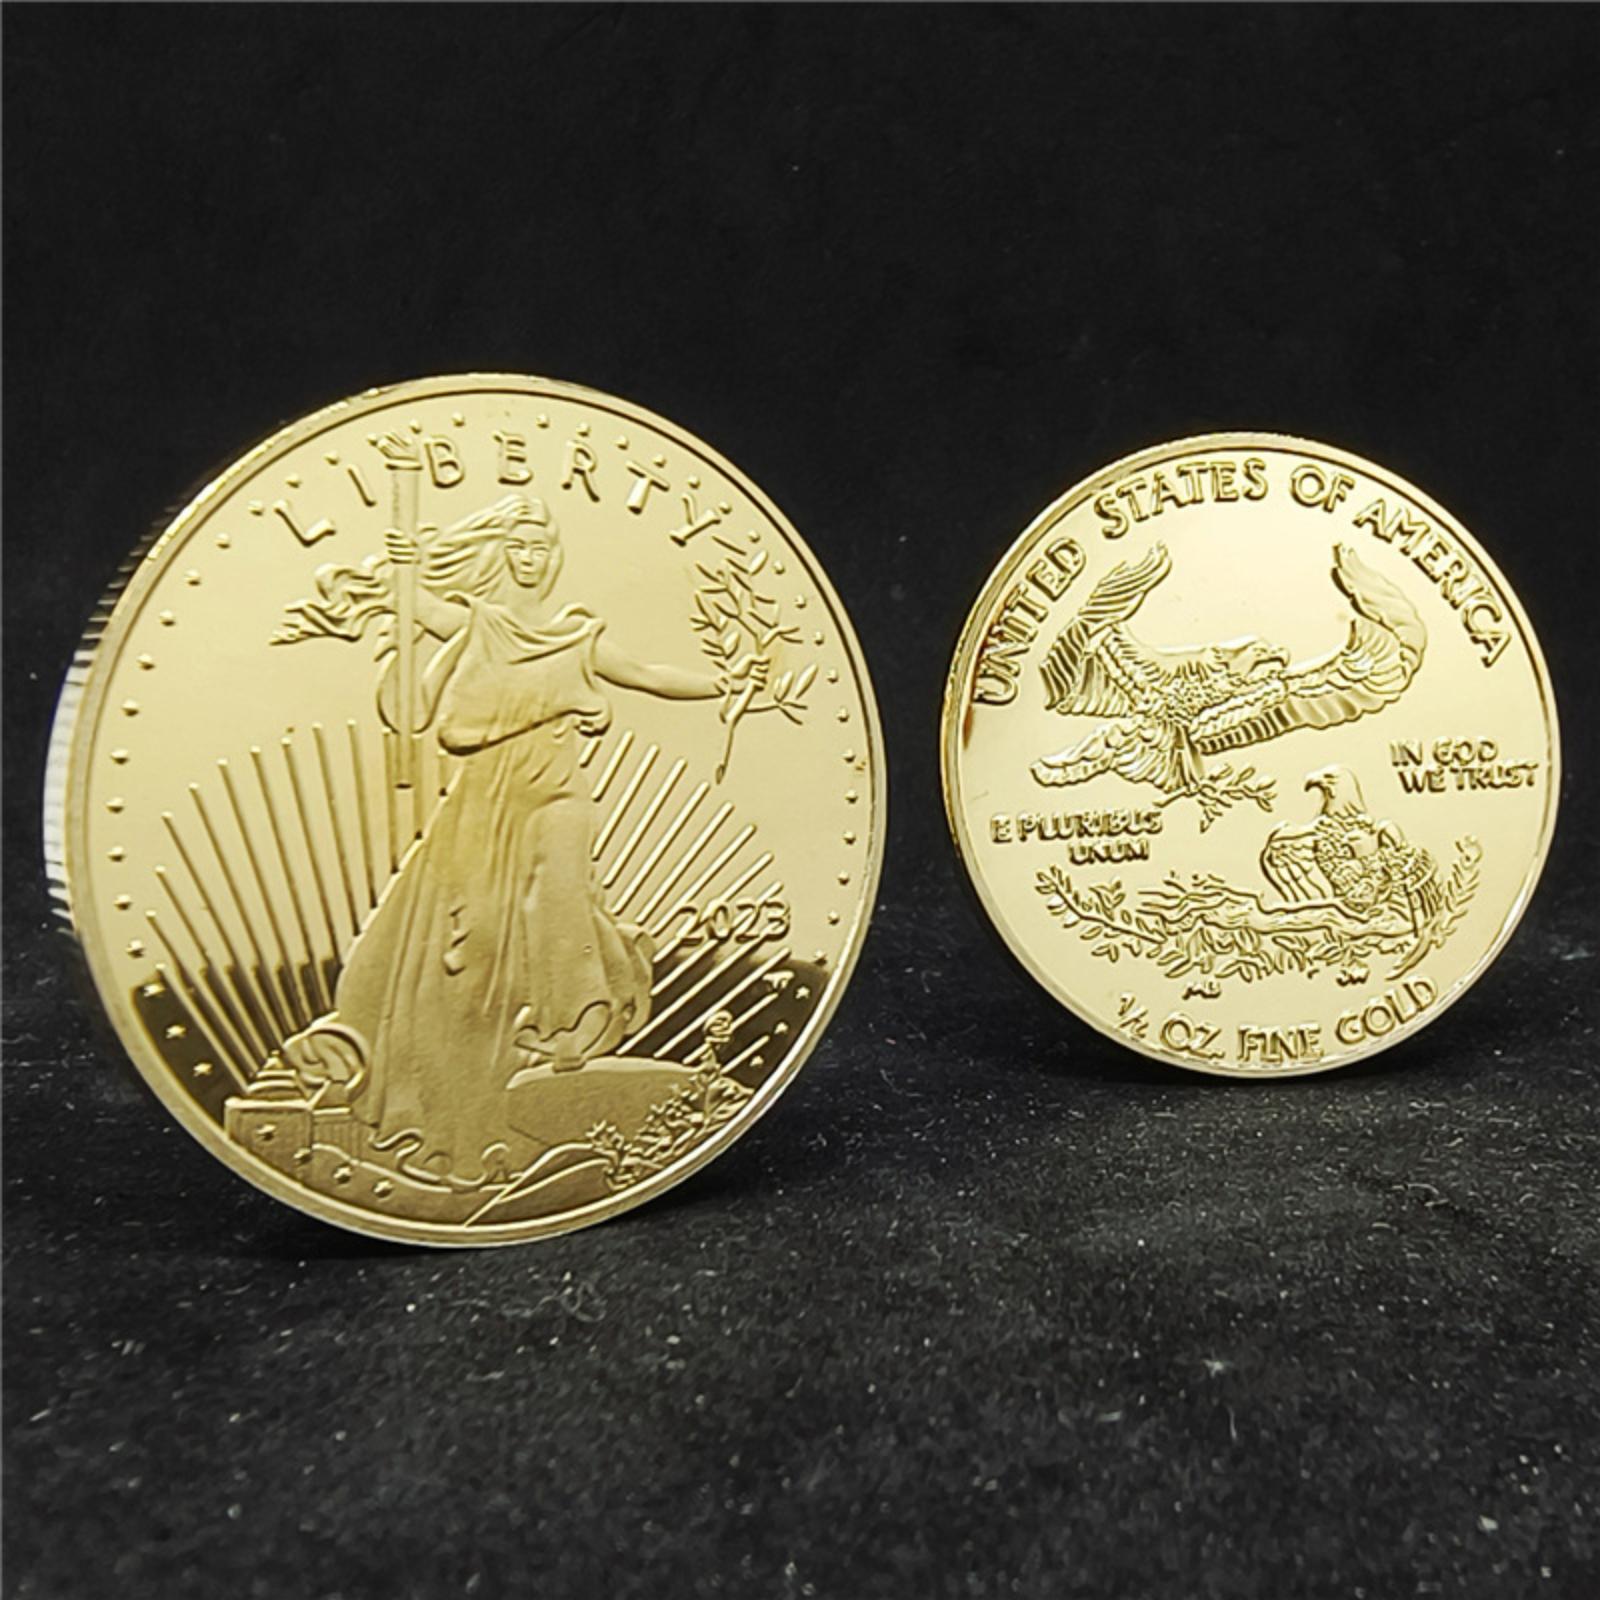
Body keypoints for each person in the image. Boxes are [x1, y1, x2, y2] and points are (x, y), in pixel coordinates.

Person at [284, 493, 754, 1185]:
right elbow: (419, 611)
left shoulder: (576, 638)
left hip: (557, 794)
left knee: (559, 906)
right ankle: (455, 1101)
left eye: (540, 548)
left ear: (553, 557)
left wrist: (726, 682)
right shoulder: (478, 624)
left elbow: (651, 677)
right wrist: (402, 572)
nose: (530, 559)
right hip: (484, 804)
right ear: (501, 555)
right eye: (519, 547)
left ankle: (564, 1028)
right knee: (469, 946)